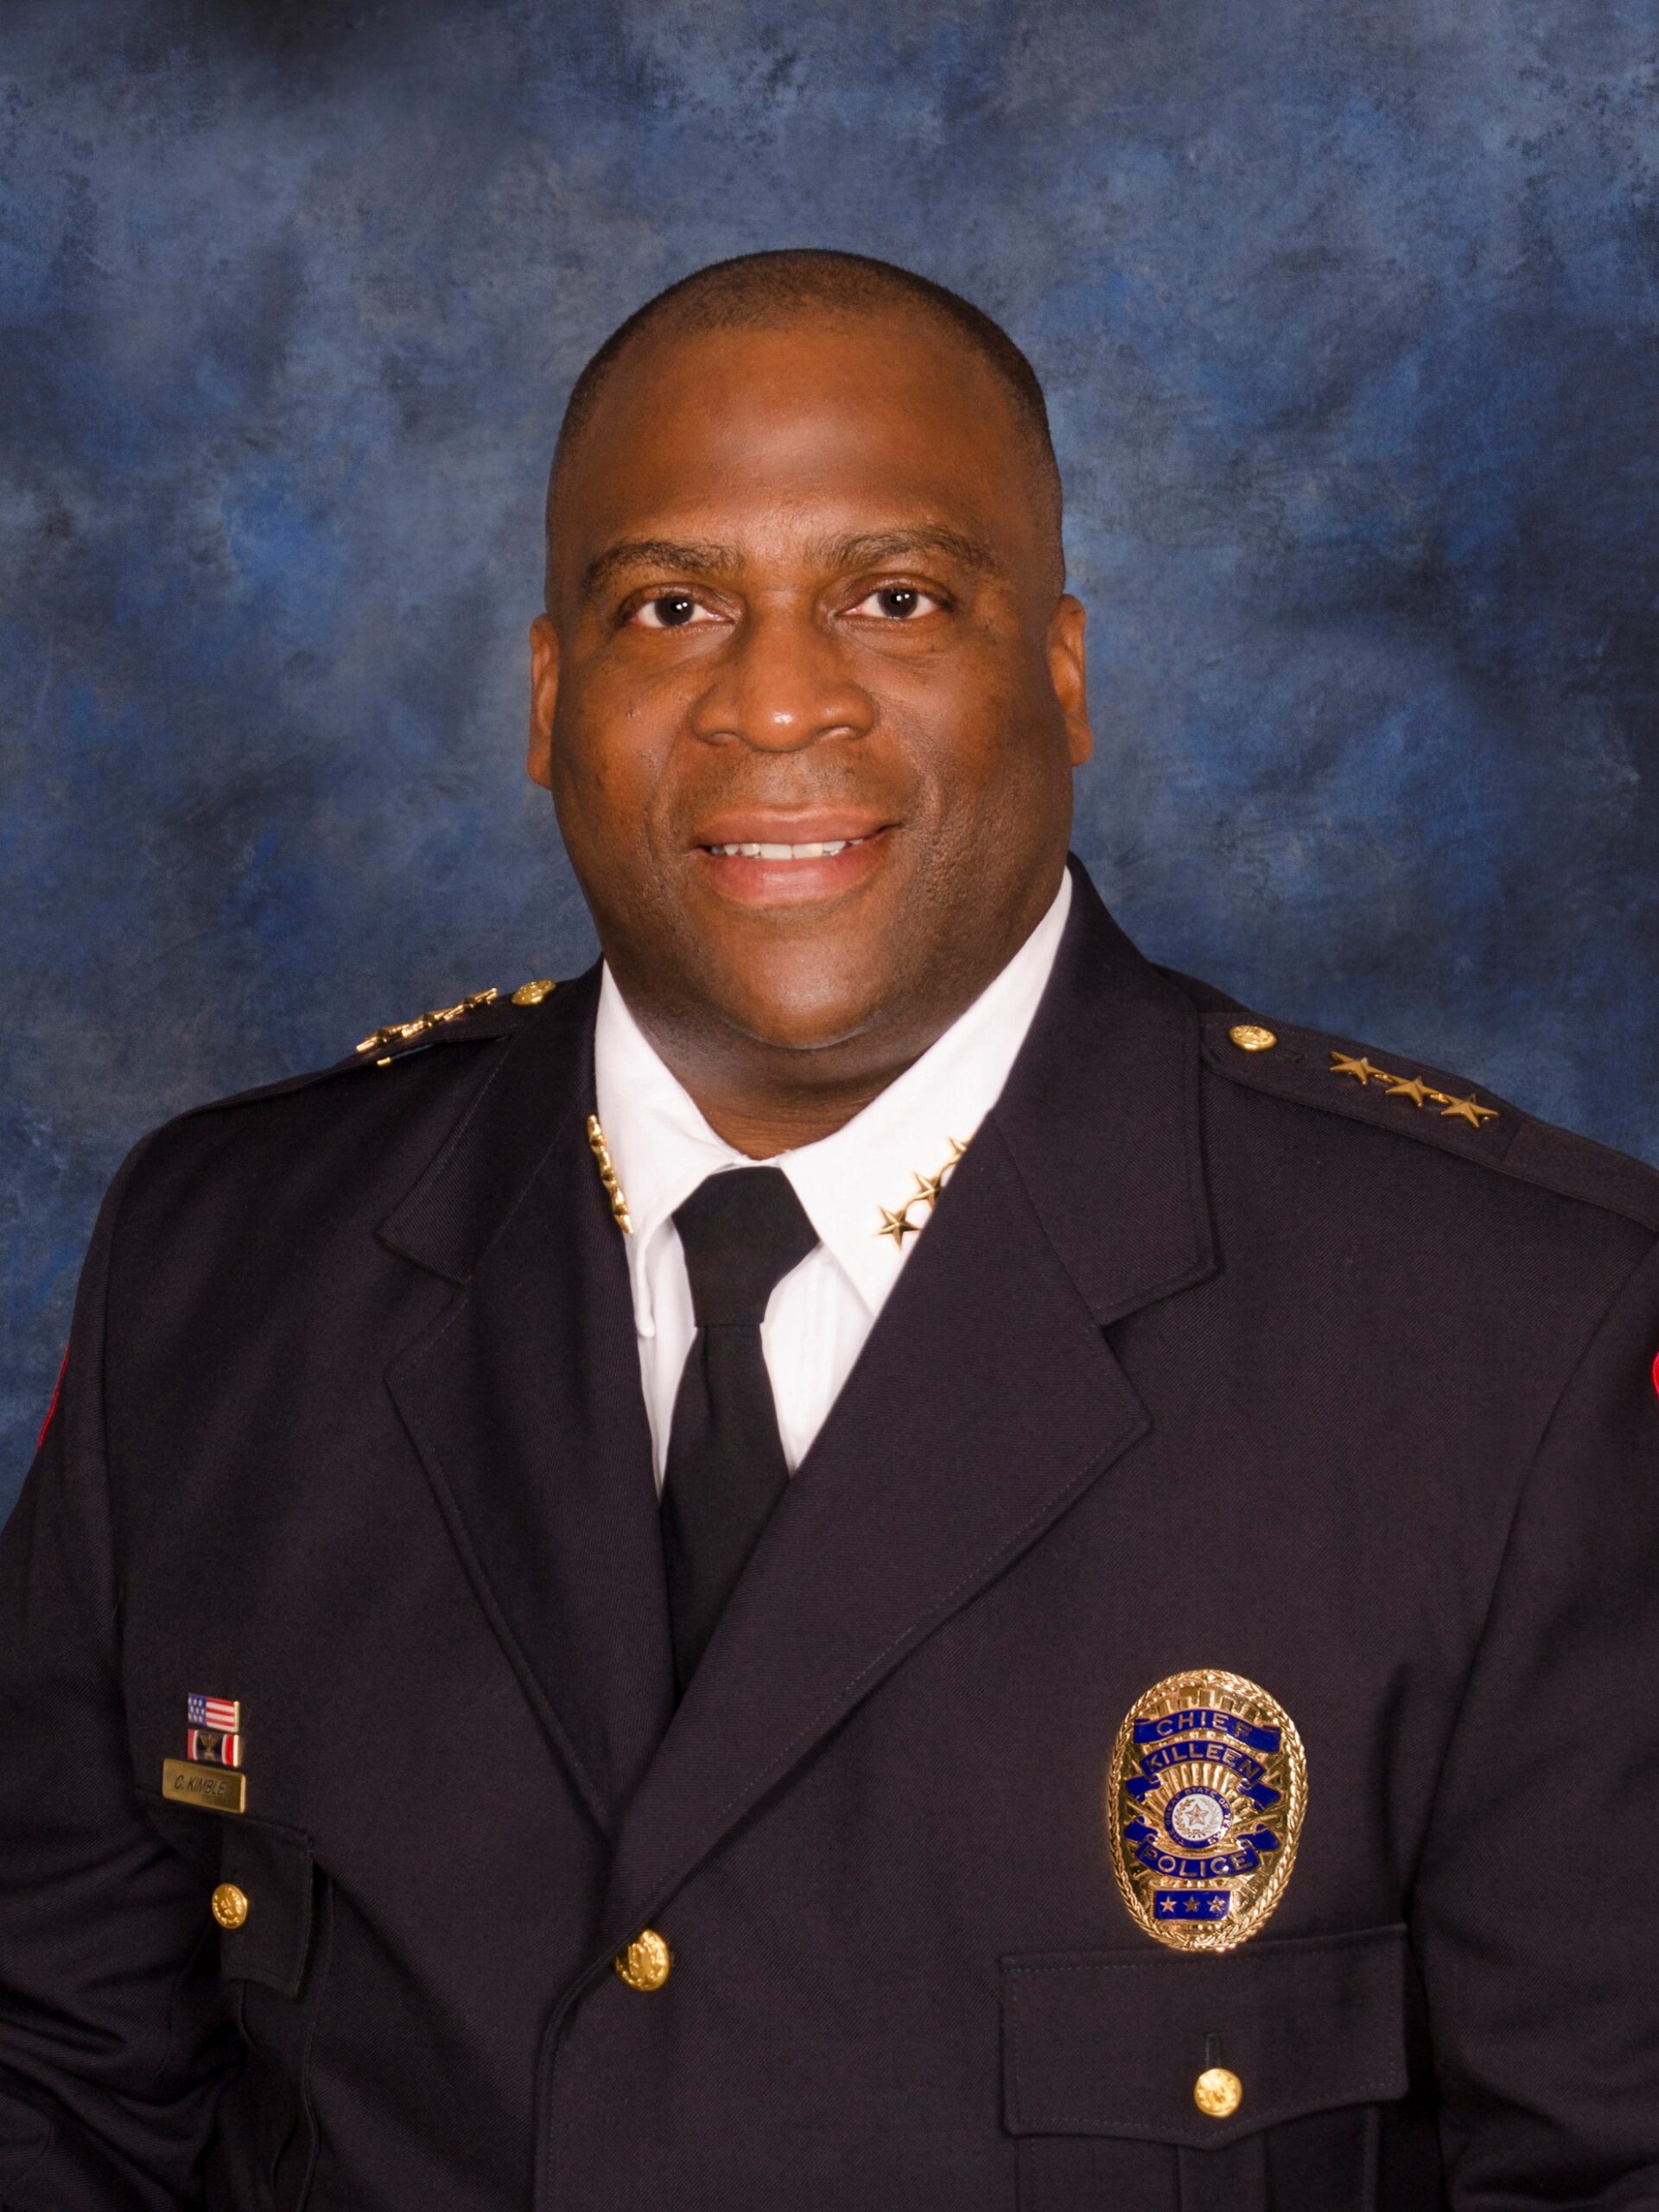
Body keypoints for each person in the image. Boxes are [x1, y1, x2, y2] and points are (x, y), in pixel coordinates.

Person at [2, 247, 1656, 2212]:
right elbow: (63, 2088)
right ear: (550, 699)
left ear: (1061, 672)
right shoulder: (226, 1268)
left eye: (895, 596)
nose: (776, 698)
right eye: (672, 605)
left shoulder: (1511, 1337)